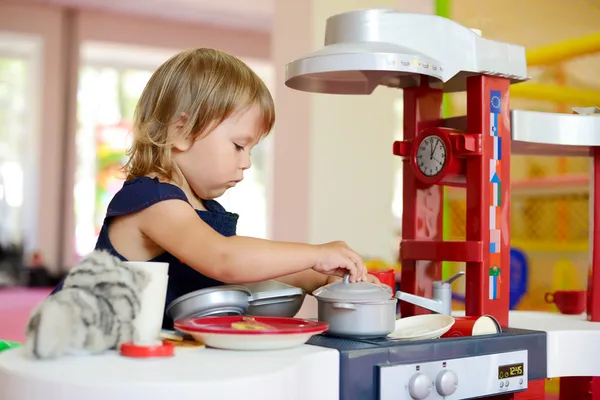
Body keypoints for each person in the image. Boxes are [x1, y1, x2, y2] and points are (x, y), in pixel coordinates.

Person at [54, 48, 377, 329]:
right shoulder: (152, 201)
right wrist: (317, 252)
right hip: (81, 348)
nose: (247, 162)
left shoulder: (204, 210)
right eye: (239, 146)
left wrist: (325, 278)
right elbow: (225, 259)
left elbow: (249, 264)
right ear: (181, 130)